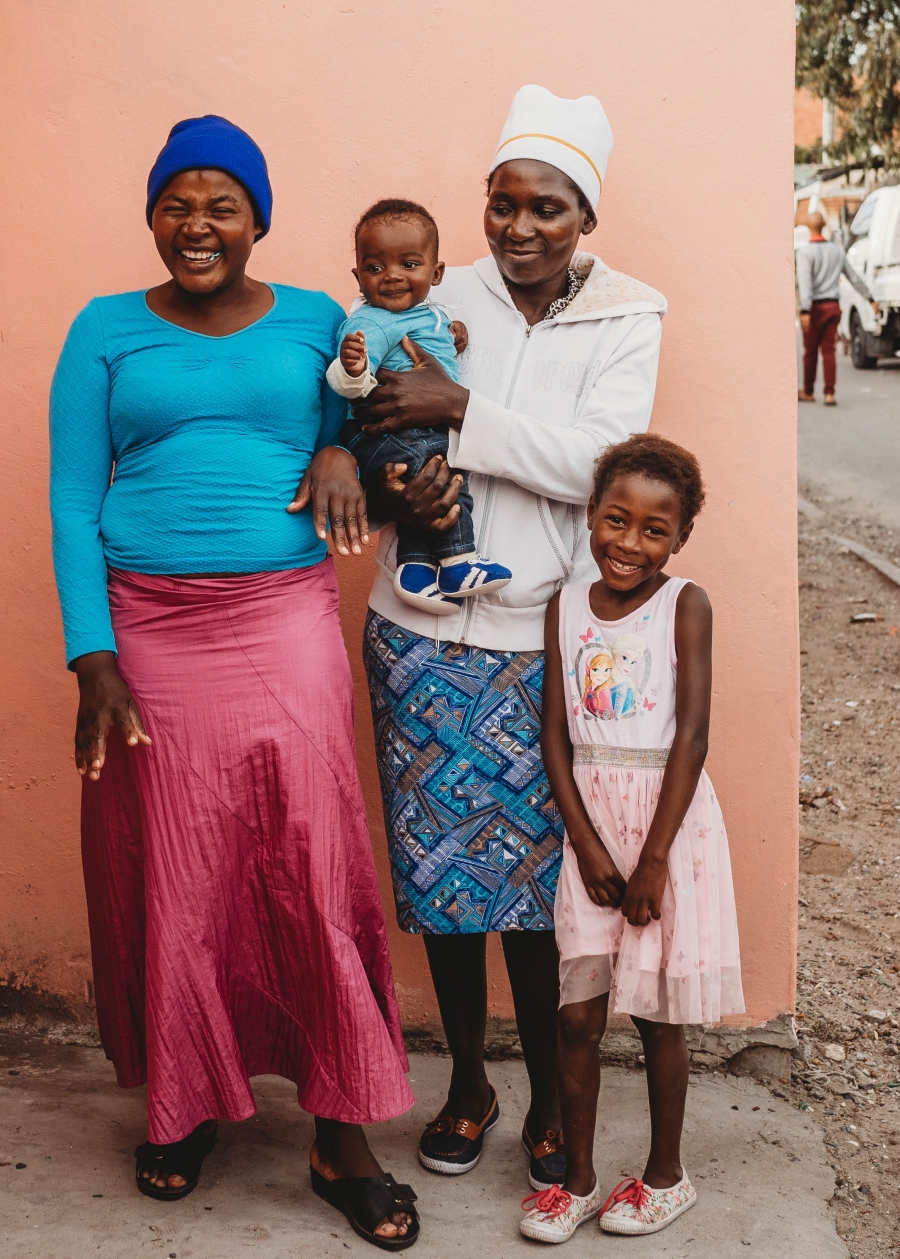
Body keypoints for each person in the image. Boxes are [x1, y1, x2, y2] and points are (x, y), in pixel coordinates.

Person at [49, 114, 419, 1250]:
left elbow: (359, 412)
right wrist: (92, 655)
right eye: (177, 201)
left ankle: (341, 1128)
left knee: (311, 848)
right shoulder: (103, 330)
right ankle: (189, 1099)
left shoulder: (316, 317)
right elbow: (71, 496)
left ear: (259, 218)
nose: (196, 223)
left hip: (283, 612)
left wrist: (341, 446)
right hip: (147, 631)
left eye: (221, 203)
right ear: (151, 215)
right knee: (181, 867)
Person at [345, 84, 668, 1191]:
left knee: (534, 892)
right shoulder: (438, 287)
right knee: (441, 881)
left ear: (585, 216)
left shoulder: (630, 313)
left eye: (547, 209)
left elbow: (604, 467)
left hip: (540, 639)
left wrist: (460, 413)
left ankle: (540, 1092)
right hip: (420, 626)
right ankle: (469, 1084)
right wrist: (403, 471)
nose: (518, 228)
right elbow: (379, 406)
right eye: (502, 204)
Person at [520, 434, 744, 1243]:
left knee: (654, 1013)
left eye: (655, 530)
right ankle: (576, 1180)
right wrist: (582, 842)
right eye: (617, 520)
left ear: (678, 539)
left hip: (664, 829)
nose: (630, 542)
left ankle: (664, 1174)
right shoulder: (565, 605)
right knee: (576, 1013)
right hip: (590, 828)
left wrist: (652, 859)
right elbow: (554, 736)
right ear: (591, 516)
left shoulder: (686, 602)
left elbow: (691, 735)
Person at [327, 198, 511, 613]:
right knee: (442, 469)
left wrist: (452, 335)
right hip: (385, 435)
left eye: (409, 265)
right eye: (375, 268)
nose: (392, 276)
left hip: (407, 434)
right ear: (358, 276)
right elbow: (345, 384)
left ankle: (414, 570)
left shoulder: (428, 314)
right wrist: (353, 368)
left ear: (436, 272)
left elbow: (431, 343)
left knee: (420, 491)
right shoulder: (370, 323)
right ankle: (459, 560)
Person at [796, 210, 877, 405]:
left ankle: (808, 390)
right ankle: (829, 393)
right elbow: (854, 277)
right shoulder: (837, 251)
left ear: (808, 226)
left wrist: (805, 310)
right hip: (833, 306)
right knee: (829, 350)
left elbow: (805, 283)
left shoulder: (805, 253)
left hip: (815, 308)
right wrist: (870, 298)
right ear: (823, 225)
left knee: (810, 351)